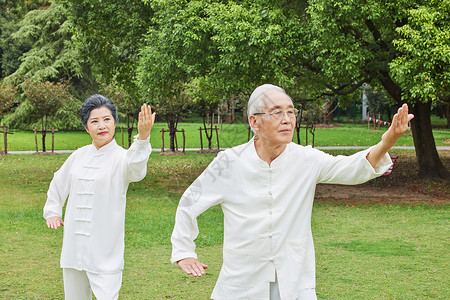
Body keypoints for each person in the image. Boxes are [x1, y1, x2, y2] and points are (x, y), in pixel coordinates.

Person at [170, 84, 414, 300]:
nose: (287, 119)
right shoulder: (228, 162)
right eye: (277, 112)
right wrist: (184, 251)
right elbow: (190, 201)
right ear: (254, 122)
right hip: (242, 280)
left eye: (290, 112)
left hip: (292, 277)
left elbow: (353, 168)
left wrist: (388, 140)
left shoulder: (305, 159)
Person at [43, 94, 155, 300]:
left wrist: (142, 139)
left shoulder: (123, 157)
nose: (101, 126)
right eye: (94, 121)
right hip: (74, 246)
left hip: (105, 249)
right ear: (87, 128)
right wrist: (52, 212)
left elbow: (137, 171)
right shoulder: (79, 155)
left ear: (114, 123)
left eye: (106, 119)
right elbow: (58, 183)